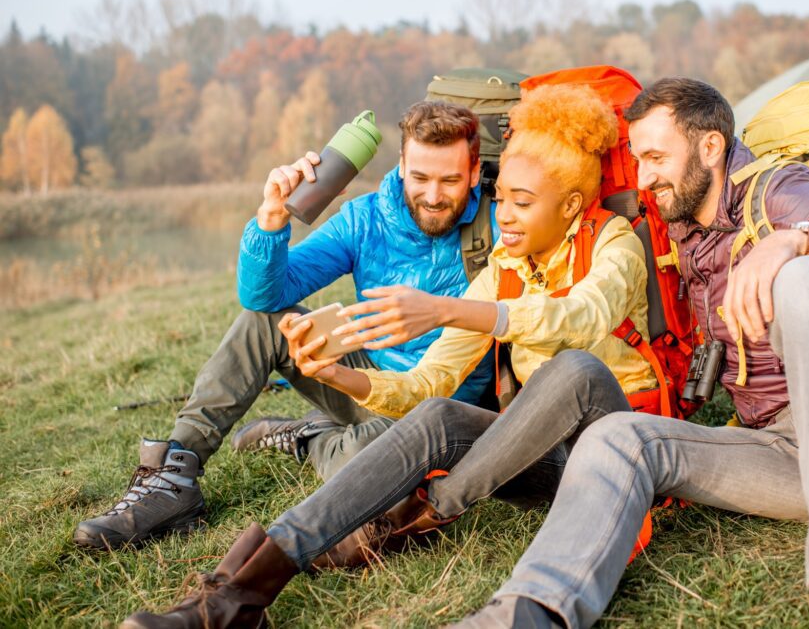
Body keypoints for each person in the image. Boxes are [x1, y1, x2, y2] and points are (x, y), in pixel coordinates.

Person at [119, 83, 660, 629]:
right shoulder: (496, 267)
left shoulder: (612, 242)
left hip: (613, 441)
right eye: (504, 201)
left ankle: (413, 507)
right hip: (532, 455)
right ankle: (231, 596)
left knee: (572, 369)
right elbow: (429, 384)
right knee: (432, 416)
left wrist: (446, 310)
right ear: (400, 167)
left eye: (520, 202)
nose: (507, 215)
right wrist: (337, 374)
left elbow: (584, 316)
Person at [453, 77, 809, 629]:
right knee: (618, 437)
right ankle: (528, 611)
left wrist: (800, 241)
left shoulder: (782, 191)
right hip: (785, 448)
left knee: (802, 280)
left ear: (710, 148)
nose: (644, 177)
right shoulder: (685, 225)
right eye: (638, 158)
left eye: (657, 157)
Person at [74, 101, 495, 550]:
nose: (433, 195)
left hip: (439, 412)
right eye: (421, 178)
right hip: (361, 377)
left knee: (366, 470)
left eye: (449, 180)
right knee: (264, 321)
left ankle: (308, 437)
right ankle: (173, 474)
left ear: (473, 173)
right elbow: (265, 297)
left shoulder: (500, 222)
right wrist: (271, 218)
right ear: (402, 165)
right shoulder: (366, 218)